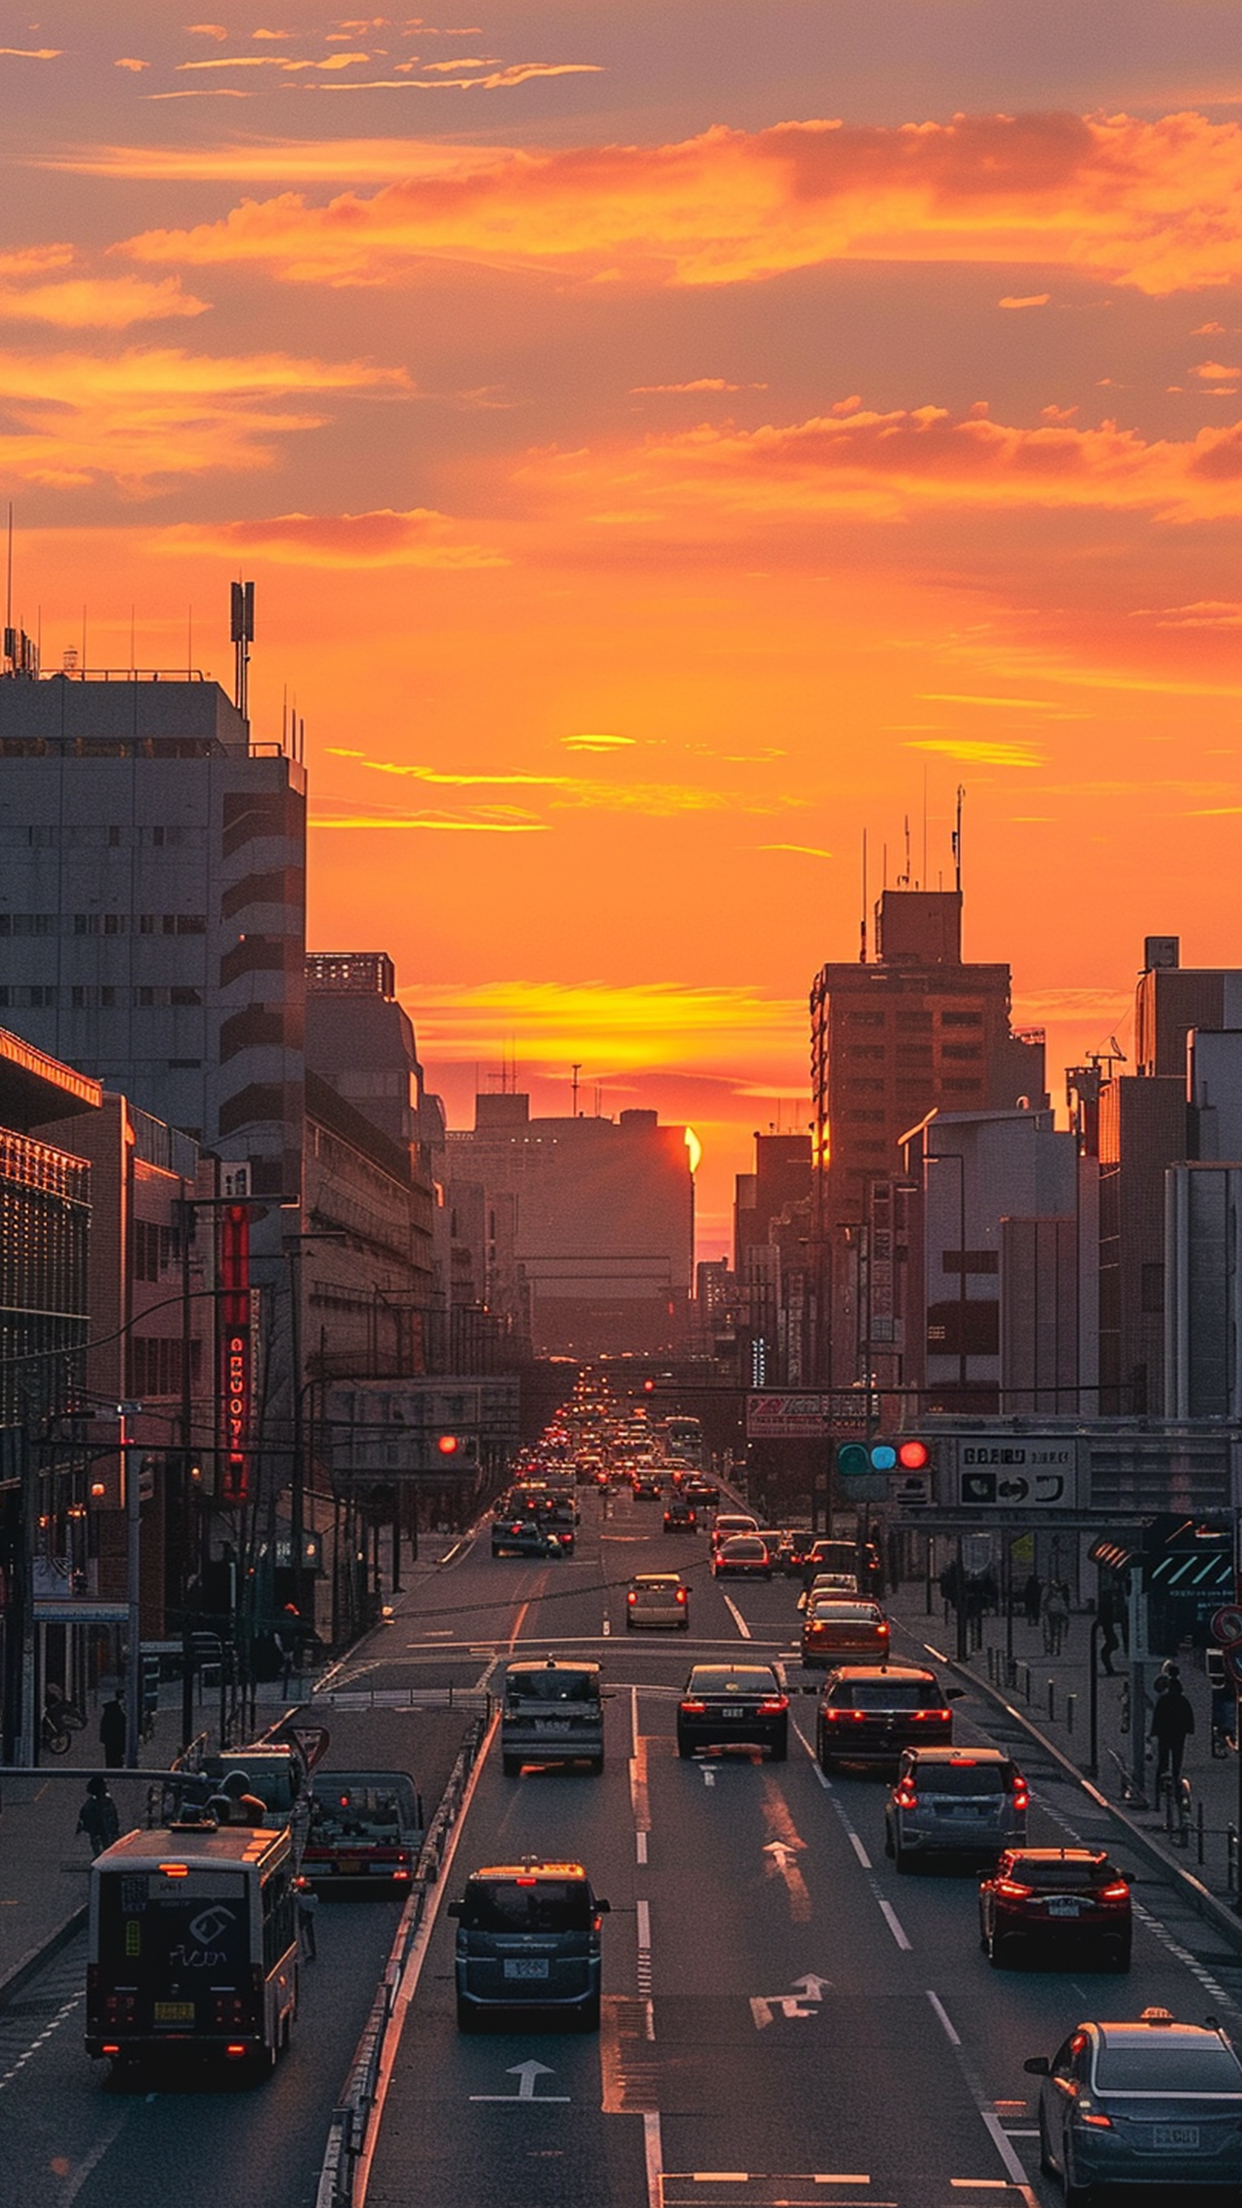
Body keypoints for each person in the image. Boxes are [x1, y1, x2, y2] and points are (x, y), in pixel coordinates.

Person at [1150, 1675, 1196, 1790]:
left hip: (1165, 1734)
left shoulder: (1164, 1700)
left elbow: (1158, 1716)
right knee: (1177, 1758)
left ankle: (1160, 1782)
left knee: (1163, 1758)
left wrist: (1155, 1731)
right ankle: (1175, 1779)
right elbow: (1188, 1716)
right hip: (1178, 1734)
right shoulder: (1183, 1701)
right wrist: (1189, 1729)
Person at [76, 1775, 120, 1858]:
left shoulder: (100, 1803)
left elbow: (111, 1821)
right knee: (101, 1844)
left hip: (101, 1831)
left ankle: (102, 1856)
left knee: (103, 1844)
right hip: (98, 1830)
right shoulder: (99, 1803)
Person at [1096, 1587, 1120, 1678]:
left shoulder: (1106, 1608)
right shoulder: (1108, 1608)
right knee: (1104, 1653)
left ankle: (1110, 1670)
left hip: (1110, 1635)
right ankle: (1110, 1669)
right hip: (1110, 1635)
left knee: (1104, 1653)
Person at [1042, 1579, 1069, 1656]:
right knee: (1060, 1631)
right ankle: (1058, 1648)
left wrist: (1044, 1608)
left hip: (1052, 1611)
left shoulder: (1049, 1590)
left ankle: (1051, 1648)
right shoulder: (1064, 1590)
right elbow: (1067, 1601)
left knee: (1050, 1631)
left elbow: (1044, 1601)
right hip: (1062, 1611)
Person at [99, 1692, 126, 1768]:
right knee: (116, 1755)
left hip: (110, 1739)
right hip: (117, 1739)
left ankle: (112, 1768)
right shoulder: (117, 1712)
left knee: (110, 1756)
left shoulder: (110, 1710)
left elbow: (104, 1726)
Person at [296, 1877, 319, 1961]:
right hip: (309, 1915)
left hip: (304, 1915)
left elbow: (297, 1896)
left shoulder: (302, 1898)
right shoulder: (314, 1898)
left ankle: (305, 1951)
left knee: (303, 1933)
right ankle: (312, 1951)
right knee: (310, 1934)